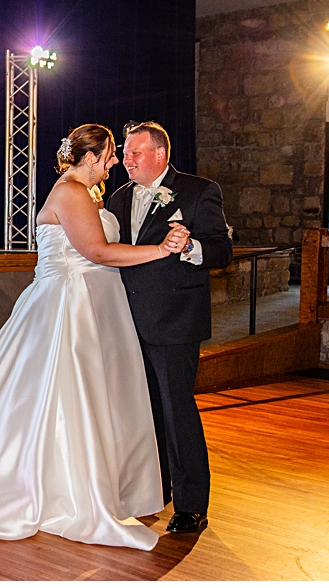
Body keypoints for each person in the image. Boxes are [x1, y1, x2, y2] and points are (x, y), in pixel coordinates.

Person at [0, 124, 194, 551]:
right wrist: (161, 250)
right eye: (111, 154)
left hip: (97, 306)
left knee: (93, 400)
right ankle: (61, 491)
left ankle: (101, 485)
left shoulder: (91, 193)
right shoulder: (71, 192)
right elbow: (97, 252)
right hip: (69, 308)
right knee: (64, 398)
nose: (116, 161)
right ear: (92, 157)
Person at [104, 121, 233, 535]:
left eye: (134, 153)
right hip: (127, 322)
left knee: (177, 412)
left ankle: (192, 503)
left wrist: (192, 247)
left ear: (160, 153)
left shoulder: (198, 190)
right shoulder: (119, 197)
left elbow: (222, 251)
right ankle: (152, 488)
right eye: (124, 153)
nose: (126, 160)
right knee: (142, 411)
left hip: (175, 322)